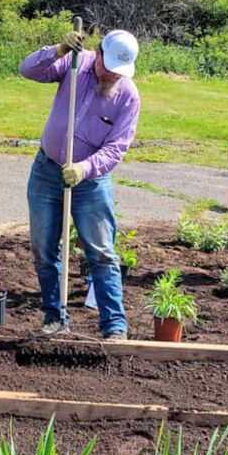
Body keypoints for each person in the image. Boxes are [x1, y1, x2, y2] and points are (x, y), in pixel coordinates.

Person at [19, 28, 141, 339]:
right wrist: (57, 50)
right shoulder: (74, 64)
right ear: (98, 53)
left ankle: (114, 326)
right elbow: (28, 70)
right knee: (43, 249)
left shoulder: (128, 96)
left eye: (119, 71)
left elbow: (117, 147)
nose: (113, 75)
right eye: (109, 67)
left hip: (91, 183)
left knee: (101, 252)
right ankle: (54, 318)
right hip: (47, 171)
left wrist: (84, 168)